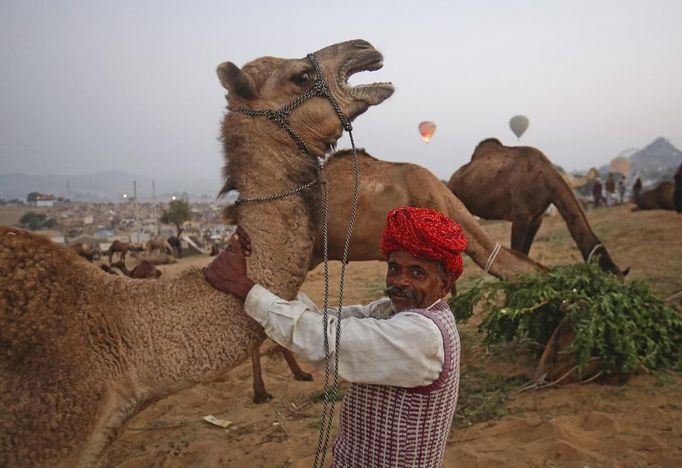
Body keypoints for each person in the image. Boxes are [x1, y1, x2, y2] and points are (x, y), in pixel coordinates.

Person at [205, 206, 468, 467]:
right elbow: (319, 320)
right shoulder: (391, 310)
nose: (399, 281)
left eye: (417, 273)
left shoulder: (423, 336)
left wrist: (242, 286)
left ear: (444, 283)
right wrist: (260, 269)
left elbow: (325, 340)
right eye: (394, 268)